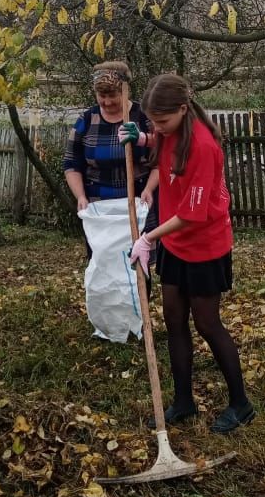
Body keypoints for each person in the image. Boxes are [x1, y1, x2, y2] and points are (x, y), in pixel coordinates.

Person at [126, 74, 254, 434]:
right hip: (175, 244)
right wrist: (143, 137)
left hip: (204, 245)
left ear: (183, 109)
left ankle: (241, 404)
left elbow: (192, 214)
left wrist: (148, 237)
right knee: (174, 319)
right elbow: (163, 143)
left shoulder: (203, 146)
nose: (158, 128)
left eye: (161, 122)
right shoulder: (170, 134)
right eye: (152, 122)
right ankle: (183, 401)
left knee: (207, 323)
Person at [63, 61, 159, 233]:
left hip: (140, 202)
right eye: (101, 95)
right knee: (104, 257)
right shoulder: (86, 120)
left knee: (141, 255)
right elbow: (71, 164)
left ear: (124, 90)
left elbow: (161, 158)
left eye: (112, 95)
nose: (106, 102)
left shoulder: (143, 117)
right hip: (99, 207)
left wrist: (149, 189)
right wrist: (81, 197)